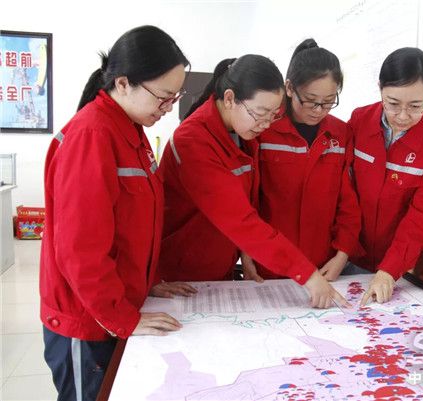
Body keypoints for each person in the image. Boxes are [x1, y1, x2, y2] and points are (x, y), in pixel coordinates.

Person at [40, 25, 196, 401]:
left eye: (175, 98)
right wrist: (124, 318)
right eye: (163, 97)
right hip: (88, 320)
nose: (168, 108)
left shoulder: (130, 130)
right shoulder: (92, 135)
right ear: (123, 83)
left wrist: (148, 281)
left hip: (114, 306)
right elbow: (80, 249)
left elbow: (133, 225)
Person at [158, 55, 349, 309]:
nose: (266, 125)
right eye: (260, 114)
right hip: (181, 274)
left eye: (273, 115)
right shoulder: (193, 141)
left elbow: (250, 200)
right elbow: (240, 219)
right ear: (229, 99)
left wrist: (244, 252)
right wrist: (308, 275)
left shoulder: (243, 133)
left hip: (219, 269)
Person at [240, 39, 360, 282]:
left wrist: (343, 254)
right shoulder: (264, 129)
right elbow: (246, 196)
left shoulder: (340, 134)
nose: (319, 110)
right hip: (270, 262)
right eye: (310, 100)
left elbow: (348, 201)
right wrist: (245, 249)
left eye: (329, 101)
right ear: (289, 88)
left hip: (323, 265)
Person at [348, 47, 423, 305]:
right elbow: (343, 189)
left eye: (416, 106)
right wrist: (342, 249)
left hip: (400, 269)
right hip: (347, 256)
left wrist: (389, 270)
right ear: (380, 89)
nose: (403, 116)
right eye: (393, 104)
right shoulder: (359, 121)